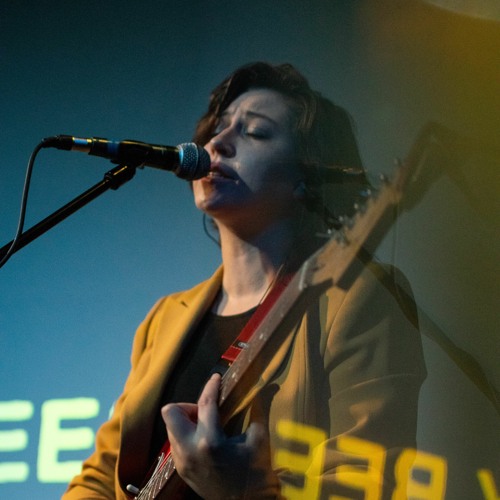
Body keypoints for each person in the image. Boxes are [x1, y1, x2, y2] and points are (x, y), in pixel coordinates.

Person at [63, 62, 426, 499]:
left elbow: (367, 483)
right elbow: (100, 476)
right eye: (218, 128)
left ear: (307, 178)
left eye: (255, 132)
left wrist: (237, 492)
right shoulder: (164, 318)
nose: (217, 143)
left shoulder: (359, 297)